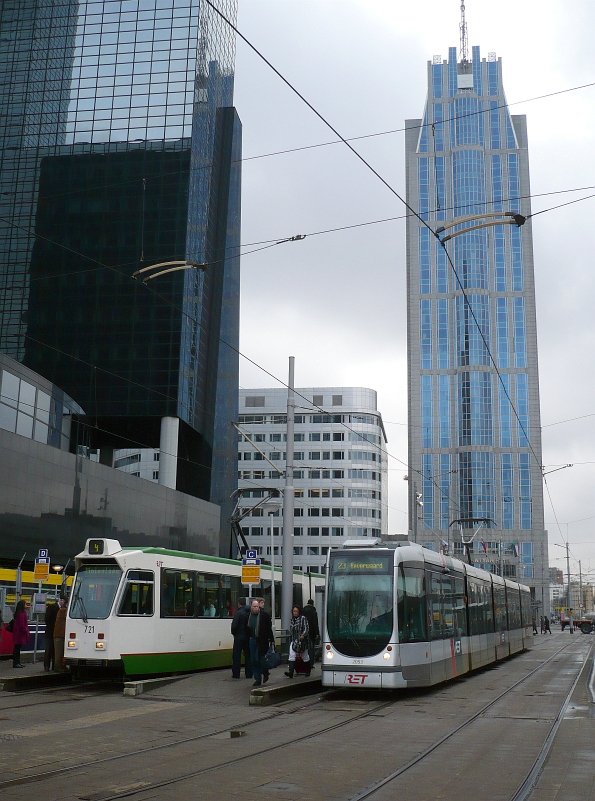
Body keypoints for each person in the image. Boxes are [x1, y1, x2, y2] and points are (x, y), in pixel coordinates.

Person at [247, 598, 274, 687]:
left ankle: (265, 672)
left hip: (262, 641)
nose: (256, 608)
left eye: (257, 606)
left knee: (259, 659)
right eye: (254, 606)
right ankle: (257, 679)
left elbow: (268, 629)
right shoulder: (248, 616)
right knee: (253, 660)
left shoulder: (264, 615)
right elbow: (246, 628)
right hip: (252, 640)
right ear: (251, 607)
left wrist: (271, 640)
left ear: (259, 607)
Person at [285, 605, 310, 678]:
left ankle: (308, 671)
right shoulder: (292, 619)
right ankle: (291, 672)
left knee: (305, 656)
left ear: (299, 611)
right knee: (292, 655)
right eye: (293, 611)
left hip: (301, 641)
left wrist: (303, 635)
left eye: (296, 611)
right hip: (294, 640)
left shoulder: (303, 618)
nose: (295, 613)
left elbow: (306, 628)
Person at [230, 597, 252, 680]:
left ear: (239, 604)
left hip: (239, 637)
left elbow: (234, 626)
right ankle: (249, 674)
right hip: (247, 637)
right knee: (248, 656)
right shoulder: (249, 612)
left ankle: (236, 674)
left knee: (236, 656)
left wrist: (234, 633)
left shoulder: (238, 613)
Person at [12, 600, 29, 668]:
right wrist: (26, 630)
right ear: (22, 605)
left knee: (17, 648)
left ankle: (17, 663)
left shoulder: (18, 613)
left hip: (17, 633)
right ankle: (16, 663)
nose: (26, 605)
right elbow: (22, 625)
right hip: (20, 634)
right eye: (25, 604)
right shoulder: (22, 613)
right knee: (17, 649)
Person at [302, 599, 320, 666]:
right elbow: (315, 623)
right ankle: (311, 663)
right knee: (311, 648)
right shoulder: (313, 611)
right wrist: (317, 633)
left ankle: (304, 662)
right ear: (312, 603)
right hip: (311, 633)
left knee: (304, 648)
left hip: (303, 633)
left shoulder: (303, 610)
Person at [44, 599, 59, 671]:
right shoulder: (54, 608)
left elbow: (46, 619)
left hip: (51, 632)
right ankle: (50, 666)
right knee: (51, 650)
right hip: (52, 632)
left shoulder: (50, 608)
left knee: (50, 650)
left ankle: (49, 666)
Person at [53, 596, 67, 672]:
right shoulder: (63, 611)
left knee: (59, 652)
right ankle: (58, 667)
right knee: (59, 653)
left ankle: (60, 666)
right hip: (60, 635)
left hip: (59, 634)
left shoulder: (61, 610)